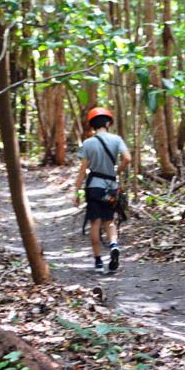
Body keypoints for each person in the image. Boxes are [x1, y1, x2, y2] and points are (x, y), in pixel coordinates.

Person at [73, 107, 131, 273]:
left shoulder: (88, 143)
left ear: (92, 125)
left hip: (94, 188)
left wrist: (76, 192)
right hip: (111, 189)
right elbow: (127, 158)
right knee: (109, 221)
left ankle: (98, 261)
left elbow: (83, 170)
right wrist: (117, 172)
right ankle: (113, 245)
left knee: (95, 223)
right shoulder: (117, 139)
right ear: (108, 123)